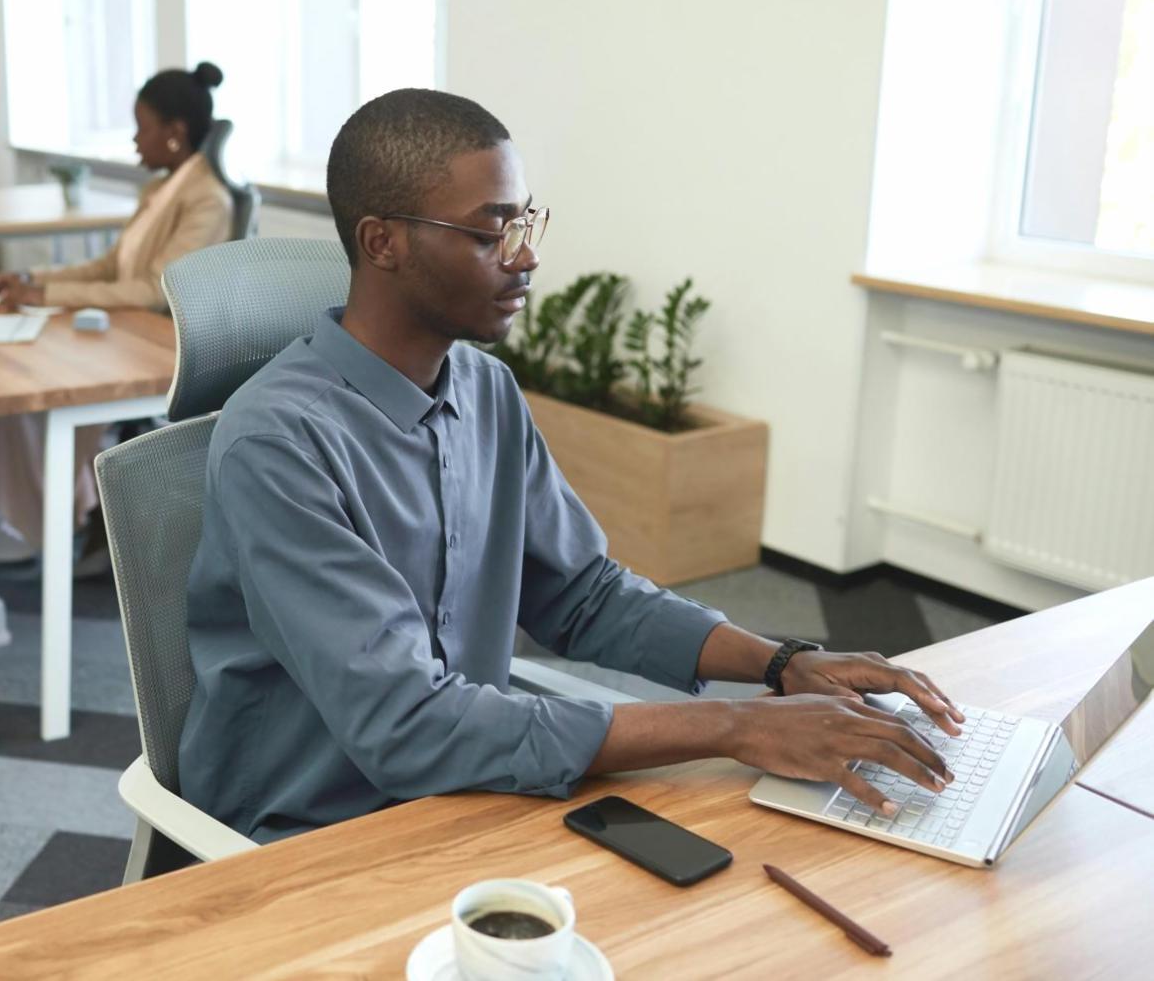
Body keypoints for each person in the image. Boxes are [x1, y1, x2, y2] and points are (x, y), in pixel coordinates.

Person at [178, 88, 965, 843]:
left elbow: (581, 594)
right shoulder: (279, 443)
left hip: (467, 784)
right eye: (490, 233)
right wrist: (736, 723)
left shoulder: (485, 389)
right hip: (315, 829)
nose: (524, 258)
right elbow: (408, 725)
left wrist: (781, 661)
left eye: (526, 222)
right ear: (383, 241)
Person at [0, 63, 234, 568]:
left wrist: (48, 297)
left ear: (175, 133)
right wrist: (37, 282)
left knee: (42, 384)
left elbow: (158, 289)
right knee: (16, 375)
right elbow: (112, 266)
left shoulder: (207, 199)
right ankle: (38, 518)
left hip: (161, 341)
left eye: (142, 126)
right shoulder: (159, 190)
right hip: (128, 327)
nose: (134, 140)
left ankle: (46, 521)